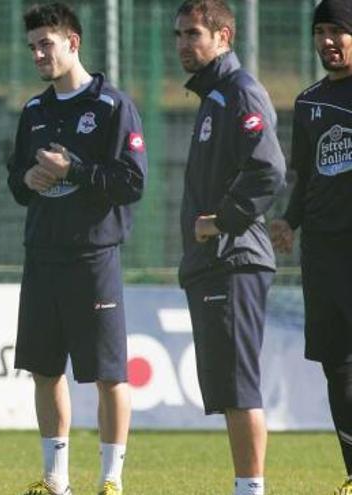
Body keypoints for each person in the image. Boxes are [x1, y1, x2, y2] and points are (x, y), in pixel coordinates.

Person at [6, 3, 147, 495]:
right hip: (42, 254)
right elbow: (17, 183)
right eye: (33, 46)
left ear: (73, 42)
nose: (39, 54)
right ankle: (55, 480)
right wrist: (27, 176)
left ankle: (111, 480)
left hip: (94, 257)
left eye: (47, 43)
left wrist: (75, 172)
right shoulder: (34, 110)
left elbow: (132, 182)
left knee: (108, 375)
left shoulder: (111, 106)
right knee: (45, 371)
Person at [174, 1, 285, 494]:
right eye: (178, 34)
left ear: (223, 37)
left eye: (193, 34)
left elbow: (269, 169)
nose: (182, 44)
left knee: (239, 388)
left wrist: (223, 221)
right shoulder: (214, 96)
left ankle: (251, 490)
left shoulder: (240, 92)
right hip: (215, 262)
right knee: (227, 388)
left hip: (235, 260)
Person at [269, 1, 352, 493]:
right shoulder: (308, 103)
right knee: (337, 366)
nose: (327, 41)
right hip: (321, 254)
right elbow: (306, 176)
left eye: (337, 31)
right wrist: (289, 221)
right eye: (320, 31)